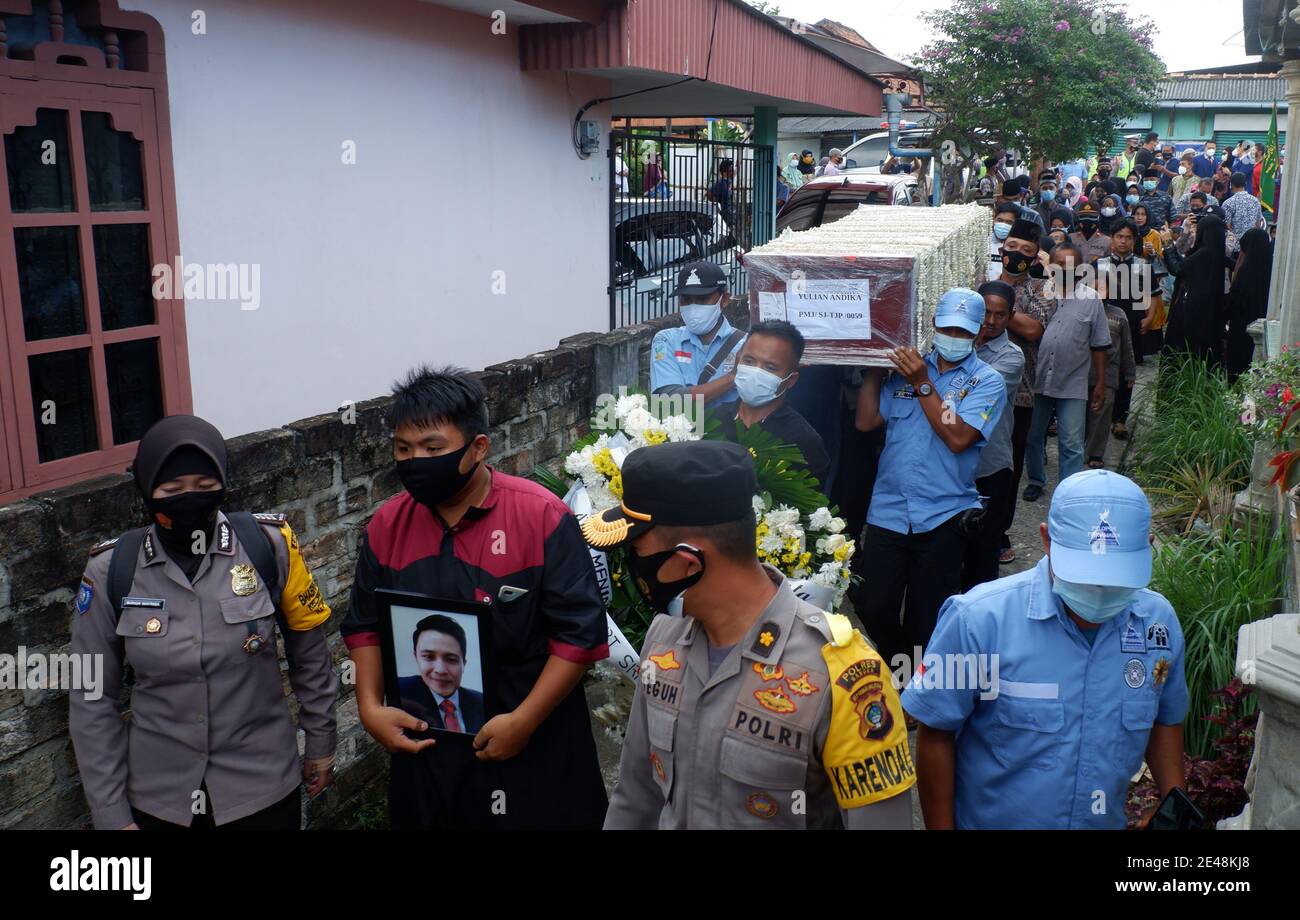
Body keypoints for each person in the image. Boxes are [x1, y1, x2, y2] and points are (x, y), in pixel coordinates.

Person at [593, 441, 914, 830]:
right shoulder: (664, 640)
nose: (631, 566)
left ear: (687, 562)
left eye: (636, 549)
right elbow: (636, 796)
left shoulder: (845, 676)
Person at [344, 367, 609, 829]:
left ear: (478, 447)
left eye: (432, 449)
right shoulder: (387, 526)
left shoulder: (541, 516)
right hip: (428, 746)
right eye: (403, 449)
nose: (415, 461)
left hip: (531, 737)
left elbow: (579, 636)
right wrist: (369, 707)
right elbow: (366, 625)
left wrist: (524, 721)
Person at [70, 415, 338, 830]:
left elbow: (310, 654)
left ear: (223, 482)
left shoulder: (269, 545)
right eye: (172, 489)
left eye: (204, 484)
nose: (189, 498)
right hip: (160, 799)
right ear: (146, 489)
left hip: (262, 787)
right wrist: (110, 814)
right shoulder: (111, 570)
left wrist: (321, 740)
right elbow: (91, 698)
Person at [902, 470, 1189, 830]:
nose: (1099, 590)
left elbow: (1165, 719)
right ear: (1046, 540)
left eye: (1115, 579)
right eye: (1083, 575)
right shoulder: (977, 621)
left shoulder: (1157, 624)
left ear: (1148, 548)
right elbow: (936, 732)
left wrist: (1174, 807)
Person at [852, 288, 1007, 673]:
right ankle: (905, 667)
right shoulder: (906, 369)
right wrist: (874, 369)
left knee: (927, 618)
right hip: (889, 510)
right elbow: (866, 421)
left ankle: (912, 684)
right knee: (872, 604)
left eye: (963, 332)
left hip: (944, 515)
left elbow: (958, 436)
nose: (954, 337)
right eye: (948, 328)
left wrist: (923, 383)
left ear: (978, 334)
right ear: (934, 324)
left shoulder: (986, 381)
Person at [1022, 242, 1110, 501]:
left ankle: (1068, 492)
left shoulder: (1091, 300)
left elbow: (1099, 345)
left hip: (1072, 381)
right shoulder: (1037, 293)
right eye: (1058, 263)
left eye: (1070, 264)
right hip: (1036, 380)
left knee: (1071, 442)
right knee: (1033, 435)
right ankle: (1036, 480)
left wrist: (1101, 383)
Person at [997, 220, 1053, 564]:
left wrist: (994, 306)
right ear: (1002, 249)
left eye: (1026, 251)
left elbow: (1033, 330)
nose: (1017, 255)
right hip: (972, 388)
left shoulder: (1041, 289)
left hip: (1020, 394)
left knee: (1009, 465)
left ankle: (998, 531)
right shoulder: (981, 278)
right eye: (1012, 247)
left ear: (1035, 258)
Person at [962, 281, 1024, 590]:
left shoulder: (1012, 357)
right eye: (985, 312)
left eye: (1000, 315)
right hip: (952, 465)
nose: (990, 321)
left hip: (990, 466)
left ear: (1010, 317)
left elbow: (972, 393)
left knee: (984, 552)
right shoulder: (954, 342)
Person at [719, 319, 830, 489]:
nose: (756, 372)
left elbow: (807, 501)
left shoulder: (802, 441)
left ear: (791, 380)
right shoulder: (712, 421)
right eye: (749, 361)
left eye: (770, 367)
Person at [650, 261, 745, 411]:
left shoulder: (745, 346)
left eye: (702, 298)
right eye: (686, 299)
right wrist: (732, 378)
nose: (693, 307)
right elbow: (671, 399)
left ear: (724, 299)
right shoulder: (666, 340)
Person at [398, 615, 486, 734]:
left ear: (463, 664)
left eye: (451, 659)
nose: (440, 670)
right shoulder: (401, 692)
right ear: (416, 657)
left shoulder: (481, 702)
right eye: (429, 657)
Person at [1163, 214, 1228, 369]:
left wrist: (1168, 244)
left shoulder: (1205, 253)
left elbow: (1177, 269)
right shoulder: (1217, 252)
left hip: (1191, 313)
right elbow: (1186, 265)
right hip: (1209, 314)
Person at [1085, 293, 1137, 469]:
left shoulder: (1119, 315)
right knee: (1081, 414)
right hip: (1082, 371)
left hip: (1109, 373)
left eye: (1103, 286)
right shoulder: (1081, 309)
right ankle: (1081, 449)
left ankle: (1096, 453)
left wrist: (1130, 372)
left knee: (1101, 414)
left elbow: (1127, 346)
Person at [1225, 227, 1273, 379]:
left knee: (1239, 365)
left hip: (1242, 326)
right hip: (1263, 324)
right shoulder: (1271, 269)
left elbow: (1236, 302)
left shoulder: (1246, 271)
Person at [1221, 172, 1264, 252]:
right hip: (1251, 245)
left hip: (1234, 247)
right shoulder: (1255, 201)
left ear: (1231, 184)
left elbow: (1227, 227)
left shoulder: (1228, 203)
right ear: (1245, 184)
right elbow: (1258, 224)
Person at [987, 200, 1020, 279]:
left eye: (1009, 222)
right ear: (994, 220)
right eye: (1000, 220)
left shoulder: (1019, 247)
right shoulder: (982, 242)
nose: (1003, 225)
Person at [707, 158, 737, 232]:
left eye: (732, 170)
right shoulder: (720, 183)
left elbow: (735, 173)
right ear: (724, 173)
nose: (732, 172)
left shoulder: (729, 181)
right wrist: (717, 205)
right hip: (725, 214)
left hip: (730, 214)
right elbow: (708, 194)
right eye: (730, 170)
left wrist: (738, 165)